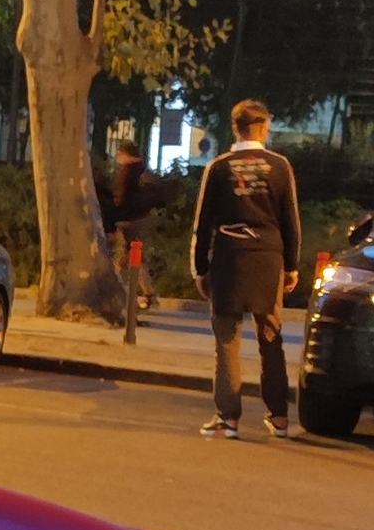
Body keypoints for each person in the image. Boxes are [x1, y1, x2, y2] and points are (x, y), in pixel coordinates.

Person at [188, 98, 301, 438]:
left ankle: (228, 418)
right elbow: (290, 220)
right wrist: (292, 266)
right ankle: (279, 417)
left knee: (227, 340)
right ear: (264, 128)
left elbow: (202, 222)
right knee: (271, 337)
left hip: (230, 259)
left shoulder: (219, 167)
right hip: (268, 259)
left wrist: (200, 269)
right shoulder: (280, 167)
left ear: (235, 128)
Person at [109, 138, 163, 338]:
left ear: (124, 153)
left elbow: (121, 199)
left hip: (127, 221)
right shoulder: (144, 171)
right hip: (141, 218)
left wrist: (113, 216)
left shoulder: (127, 172)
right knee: (134, 259)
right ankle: (146, 296)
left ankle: (133, 300)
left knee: (126, 262)